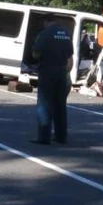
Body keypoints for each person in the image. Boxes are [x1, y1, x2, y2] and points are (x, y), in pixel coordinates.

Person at [30, 15, 74, 145]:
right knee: (60, 105)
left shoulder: (44, 34)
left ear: (46, 21)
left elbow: (36, 54)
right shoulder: (66, 34)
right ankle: (61, 136)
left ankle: (44, 136)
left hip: (47, 71)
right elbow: (70, 56)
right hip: (62, 72)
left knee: (44, 104)